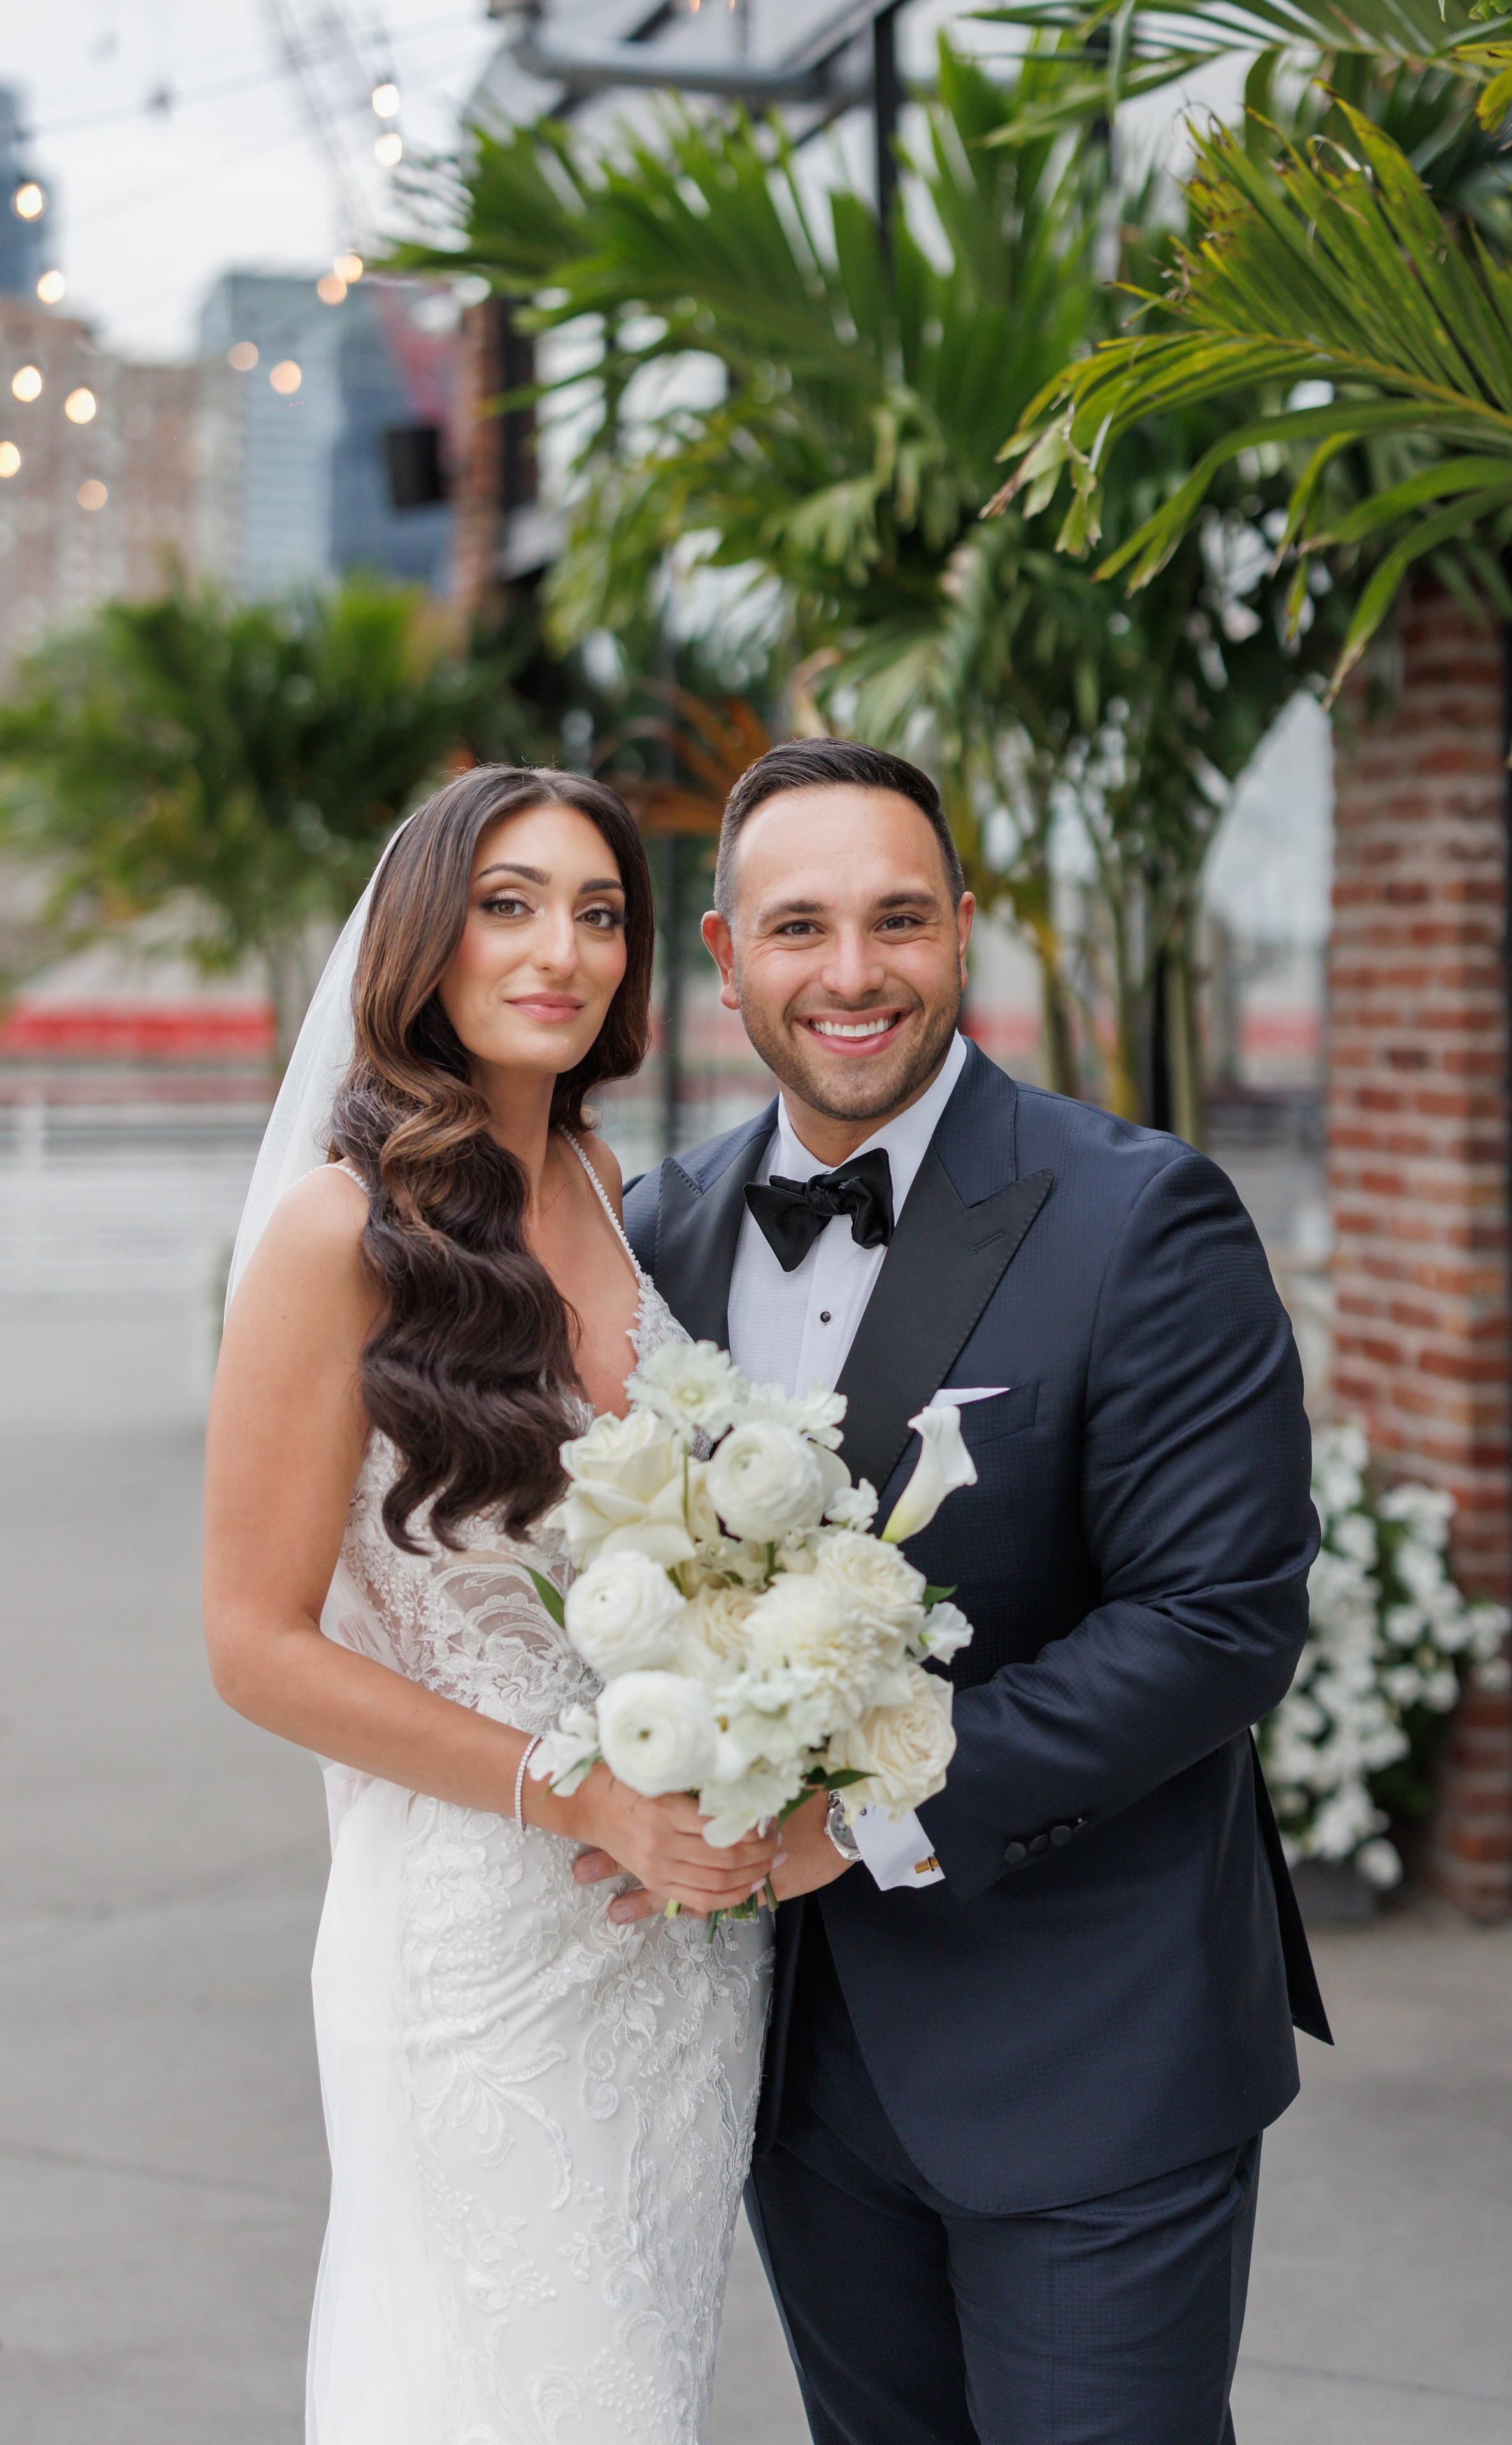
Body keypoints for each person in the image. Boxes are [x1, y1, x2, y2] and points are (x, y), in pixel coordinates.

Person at [611, 737, 1332, 2445]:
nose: (853, 974)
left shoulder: (1141, 1214)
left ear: (964, 932)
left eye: (899, 920)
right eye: (800, 927)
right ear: (726, 957)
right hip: (796, 2067)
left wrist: (851, 1818)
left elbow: (1215, 1623)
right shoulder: (659, 1233)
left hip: (1089, 2044)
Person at [203, 765, 776, 2445]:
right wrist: (575, 1787)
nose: (564, 949)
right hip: (471, 1947)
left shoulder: (604, 1181)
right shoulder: (339, 1234)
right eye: (510, 904)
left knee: (638, 2386)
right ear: (423, 942)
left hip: (671, 1948)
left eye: (600, 913)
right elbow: (252, 1644)